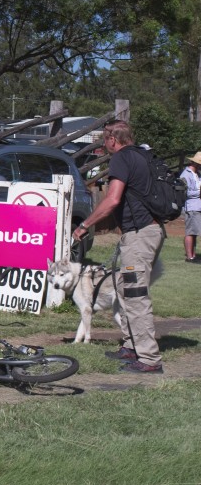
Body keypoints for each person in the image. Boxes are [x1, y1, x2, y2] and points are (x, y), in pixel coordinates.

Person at [72, 120, 164, 373]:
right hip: (149, 231)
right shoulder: (143, 155)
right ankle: (131, 345)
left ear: (113, 139)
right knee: (125, 289)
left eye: (104, 141)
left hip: (140, 235)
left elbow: (112, 200)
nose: (105, 145)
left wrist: (84, 226)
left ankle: (148, 358)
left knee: (135, 295)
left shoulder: (121, 159)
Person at [180, 152, 201, 263]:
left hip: (198, 206)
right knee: (190, 232)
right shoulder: (186, 174)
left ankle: (193, 254)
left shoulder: (198, 174)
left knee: (194, 232)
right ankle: (190, 256)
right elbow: (185, 192)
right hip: (191, 206)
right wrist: (199, 192)